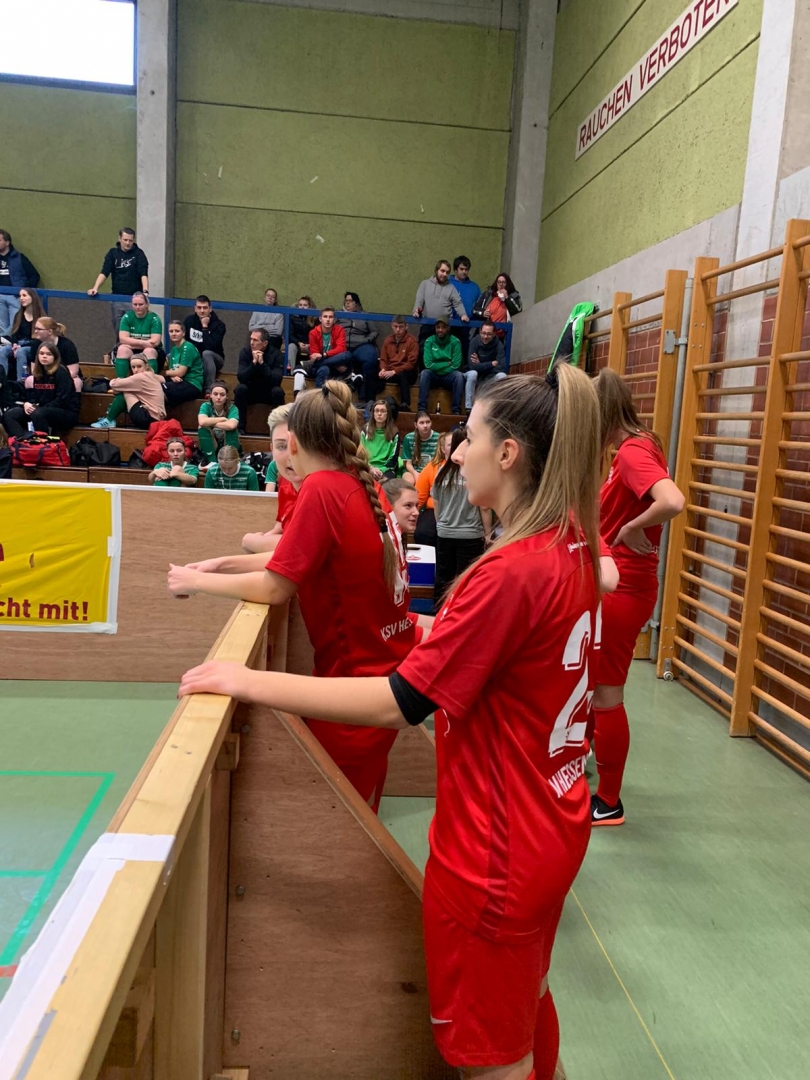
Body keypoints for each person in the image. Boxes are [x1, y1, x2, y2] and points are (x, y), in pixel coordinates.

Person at [176, 365, 604, 1080]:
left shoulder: (508, 573)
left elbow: (397, 703)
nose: (456, 454)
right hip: (553, 826)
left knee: (493, 1059)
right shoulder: (573, 547)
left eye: (468, 438)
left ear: (508, 453)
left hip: (494, 854)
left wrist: (248, 680)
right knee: (527, 1002)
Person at [168, 380, 417, 813]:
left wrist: (195, 583)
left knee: (334, 823)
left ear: (296, 442)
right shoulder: (358, 484)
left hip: (351, 687)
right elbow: (297, 557)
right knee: (359, 810)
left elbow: (275, 587)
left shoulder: (322, 488)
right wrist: (220, 565)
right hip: (381, 671)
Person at [591, 369, 685, 827]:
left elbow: (673, 500)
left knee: (607, 691)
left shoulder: (631, 452)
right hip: (619, 583)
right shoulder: (636, 445)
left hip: (625, 587)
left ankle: (609, 801)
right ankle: (585, 764)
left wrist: (630, 528)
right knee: (594, 684)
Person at [431, 426, 489, 610]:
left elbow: (436, 506)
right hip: (470, 535)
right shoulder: (475, 473)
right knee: (467, 579)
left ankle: (439, 613)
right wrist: (488, 534)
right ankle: (462, 614)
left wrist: (442, 525)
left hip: (445, 533)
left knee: (444, 576)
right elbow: (485, 507)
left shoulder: (441, 473)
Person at [242, 404, 302, 555]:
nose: (291, 455)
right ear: (272, 450)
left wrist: (253, 542)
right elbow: (280, 527)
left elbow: (302, 550)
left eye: (299, 445)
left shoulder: (325, 490)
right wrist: (260, 540)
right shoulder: (285, 481)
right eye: (282, 446)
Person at [2, 342, 79, 437]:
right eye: (41, 353)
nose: (44, 356)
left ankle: (43, 443)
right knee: (10, 415)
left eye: (49, 354)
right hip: (43, 409)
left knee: (38, 413)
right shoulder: (39, 372)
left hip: (66, 412)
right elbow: (35, 396)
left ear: (55, 357)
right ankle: (23, 440)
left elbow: (62, 400)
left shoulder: (61, 371)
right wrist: (27, 404)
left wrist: (38, 408)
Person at [87, 227, 149, 331]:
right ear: (119, 239)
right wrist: (95, 288)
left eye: (130, 240)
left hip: (134, 298)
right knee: (119, 329)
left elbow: (143, 273)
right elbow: (105, 272)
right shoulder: (113, 253)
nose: (128, 243)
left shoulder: (139, 254)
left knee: (135, 329)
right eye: (125, 240)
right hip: (117, 298)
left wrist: (145, 291)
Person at [91, 355, 166, 430]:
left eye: (139, 366)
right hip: (155, 420)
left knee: (126, 391)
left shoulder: (141, 377)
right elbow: (163, 379)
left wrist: (118, 386)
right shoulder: (152, 375)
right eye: (133, 367)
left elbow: (113, 384)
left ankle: (109, 419)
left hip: (148, 420)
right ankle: (110, 417)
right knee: (127, 388)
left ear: (146, 366)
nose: (136, 370)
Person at [235, 327, 285, 434]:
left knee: (278, 392)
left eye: (255, 340)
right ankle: (240, 428)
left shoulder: (276, 355)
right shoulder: (245, 352)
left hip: (267, 392)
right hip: (250, 391)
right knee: (240, 389)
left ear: (265, 343)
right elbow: (241, 377)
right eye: (251, 339)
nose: (251, 342)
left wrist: (262, 364)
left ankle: (277, 429)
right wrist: (253, 364)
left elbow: (276, 380)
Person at [413, 260, 468, 352]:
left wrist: (463, 315)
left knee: (443, 353)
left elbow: (458, 303)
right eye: (442, 271)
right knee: (423, 351)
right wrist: (416, 311)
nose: (445, 274)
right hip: (427, 326)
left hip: (444, 327)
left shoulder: (451, 288)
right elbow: (419, 300)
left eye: (447, 272)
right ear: (436, 270)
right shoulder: (425, 284)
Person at [338, 292, 379, 404]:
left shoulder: (365, 315)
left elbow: (375, 331)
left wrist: (367, 340)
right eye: (346, 301)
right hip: (342, 346)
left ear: (357, 303)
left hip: (361, 345)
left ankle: (367, 397)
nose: (347, 303)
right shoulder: (339, 314)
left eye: (350, 301)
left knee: (371, 357)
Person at [414, 430, 452, 547]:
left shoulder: (468, 466)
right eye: (451, 445)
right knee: (423, 533)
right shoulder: (432, 467)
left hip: (459, 511)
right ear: (443, 449)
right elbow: (419, 497)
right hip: (434, 509)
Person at [418, 320, 463, 415]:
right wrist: (447, 363)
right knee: (424, 373)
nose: (440, 330)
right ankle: (422, 408)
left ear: (448, 328)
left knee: (458, 376)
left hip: (448, 376)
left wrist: (437, 365)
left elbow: (456, 365)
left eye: (443, 327)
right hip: (433, 375)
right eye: (438, 327)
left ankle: (456, 410)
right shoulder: (429, 341)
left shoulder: (455, 341)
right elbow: (428, 365)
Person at [0, 230, 40, 336]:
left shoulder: (19, 258)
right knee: (1, 327)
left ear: (7, 242)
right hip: (0, 296)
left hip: (16, 296)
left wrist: (26, 292)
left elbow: (34, 276)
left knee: (15, 324)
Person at [184, 296, 226, 392]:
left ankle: (209, 390)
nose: (202, 311)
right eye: (199, 308)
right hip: (194, 358)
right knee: (172, 354)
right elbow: (184, 342)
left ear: (210, 309)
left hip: (215, 359)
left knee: (206, 354)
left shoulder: (219, 325)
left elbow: (211, 346)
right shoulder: (189, 321)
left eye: (205, 308)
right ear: (195, 308)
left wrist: (205, 327)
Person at [0, 288, 44, 380]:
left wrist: (20, 347)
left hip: (32, 345)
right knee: (3, 351)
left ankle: (21, 381)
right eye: (20, 296)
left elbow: (39, 339)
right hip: (18, 343)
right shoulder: (19, 315)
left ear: (32, 297)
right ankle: (2, 380)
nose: (21, 298)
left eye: (24, 295)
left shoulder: (40, 317)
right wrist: (14, 344)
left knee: (21, 352)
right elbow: (14, 333)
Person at [115, 292, 164, 374]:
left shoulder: (154, 318)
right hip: (134, 348)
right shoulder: (127, 317)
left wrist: (133, 344)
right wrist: (143, 343)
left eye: (141, 304)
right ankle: (121, 380)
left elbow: (155, 342)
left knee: (149, 351)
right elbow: (123, 339)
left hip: (153, 350)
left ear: (146, 305)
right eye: (135, 304)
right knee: (122, 349)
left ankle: (151, 379)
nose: (137, 307)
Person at [29, 318, 82, 392]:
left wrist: (55, 380)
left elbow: (73, 371)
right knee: (29, 380)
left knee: (76, 382)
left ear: (49, 331)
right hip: (43, 378)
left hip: (64, 378)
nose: (35, 331)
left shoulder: (67, 345)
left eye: (39, 329)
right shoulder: (35, 344)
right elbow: (34, 369)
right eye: (35, 328)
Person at [378, 316, 418, 411]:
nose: (398, 330)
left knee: (403, 375)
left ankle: (405, 404)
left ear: (406, 326)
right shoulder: (388, 340)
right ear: (392, 326)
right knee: (371, 371)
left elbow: (411, 363)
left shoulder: (412, 341)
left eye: (401, 327)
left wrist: (394, 371)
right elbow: (383, 359)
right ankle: (370, 402)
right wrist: (383, 369)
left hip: (406, 372)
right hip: (390, 371)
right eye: (395, 327)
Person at [465, 320, 507, 411]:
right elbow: (472, 366)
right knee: (472, 373)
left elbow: (501, 367)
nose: (485, 336)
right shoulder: (474, 342)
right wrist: (491, 364)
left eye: (489, 334)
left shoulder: (499, 345)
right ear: (480, 331)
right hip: (477, 376)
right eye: (483, 333)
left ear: (494, 334)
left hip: (490, 377)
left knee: (502, 376)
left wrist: (480, 365)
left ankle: (498, 409)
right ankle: (468, 409)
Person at [310, 308, 355, 390]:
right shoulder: (313, 333)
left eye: (330, 317)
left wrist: (324, 354)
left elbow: (341, 349)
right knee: (324, 369)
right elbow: (314, 354)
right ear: (320, 319)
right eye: (325, 316)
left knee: (347, 355)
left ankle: (312, 365)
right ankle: (318, 395)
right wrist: (334, 365)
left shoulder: (339, 330)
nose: (328, 320)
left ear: (334, 320)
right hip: (328, 366)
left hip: (331, 363)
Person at [164, 320, 204, 409]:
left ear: (183, 333)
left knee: (161, 389)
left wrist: (166, 373)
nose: (174, 334)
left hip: (192, 384)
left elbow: (180, 373)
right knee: (155, 384)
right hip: (179, 381)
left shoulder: (188, 347)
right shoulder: (174, 349)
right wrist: (172, 376)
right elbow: (173, 371)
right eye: (171, 331)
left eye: (177, 331)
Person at [198, 381, 240, 463]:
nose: (218, 397)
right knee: (202, 428)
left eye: (222, 395)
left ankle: (231, 459)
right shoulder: (205, 406)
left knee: (232, 430)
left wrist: (211, 423)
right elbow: (202, 422)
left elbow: (231, 425)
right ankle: (211, 461)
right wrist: (223, 419)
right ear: (210, 395)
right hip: (212, 440)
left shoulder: (232, 408)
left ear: (227, 397)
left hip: (226, 441)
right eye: (215, 394)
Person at [360, 399, 401, 481]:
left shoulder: (394, 432)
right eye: (377, 411)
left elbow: (393, 459)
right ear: (373, 413)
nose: (379, 414)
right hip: (367, 466)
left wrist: (381, 470)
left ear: (388, 414)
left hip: (386, 469)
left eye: (383, 411)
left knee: (387, 483)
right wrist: (371, 468)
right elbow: (360, 453)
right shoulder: (365, 430)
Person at [473, 272, 523, 337]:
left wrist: (507, 297)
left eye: (503, 282)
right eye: (499, 282)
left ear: (507, 284)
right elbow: (474, 310)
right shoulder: (488, 294)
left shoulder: (514, 296)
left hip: (504, 335)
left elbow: (518, 310)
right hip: (486, 333)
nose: (501, 284)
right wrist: (482, 313)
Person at [289, 296, 318, 390]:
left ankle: (312, 373)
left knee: (317, 350)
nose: (302, 307)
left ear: (310, 306)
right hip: (297, 343)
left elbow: (318, 336)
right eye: (300, 305)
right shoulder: (293, 317)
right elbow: (290, 334)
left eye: (305, 305)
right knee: (291, 347)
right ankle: (291, 373)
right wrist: (298, 343)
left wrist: (309, 345)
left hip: (310, 344)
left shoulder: (315, 319)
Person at [402, 410, 439, 481]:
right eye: (421, 423)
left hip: (432, 470)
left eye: (428, 422)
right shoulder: (408, 438)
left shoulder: (438, 437)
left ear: (431, 423)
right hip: (413, 471)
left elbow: (439, 461)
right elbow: (408, 464)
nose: (425, 425)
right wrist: (415, 474)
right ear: (416, 425)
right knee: (409, 481)